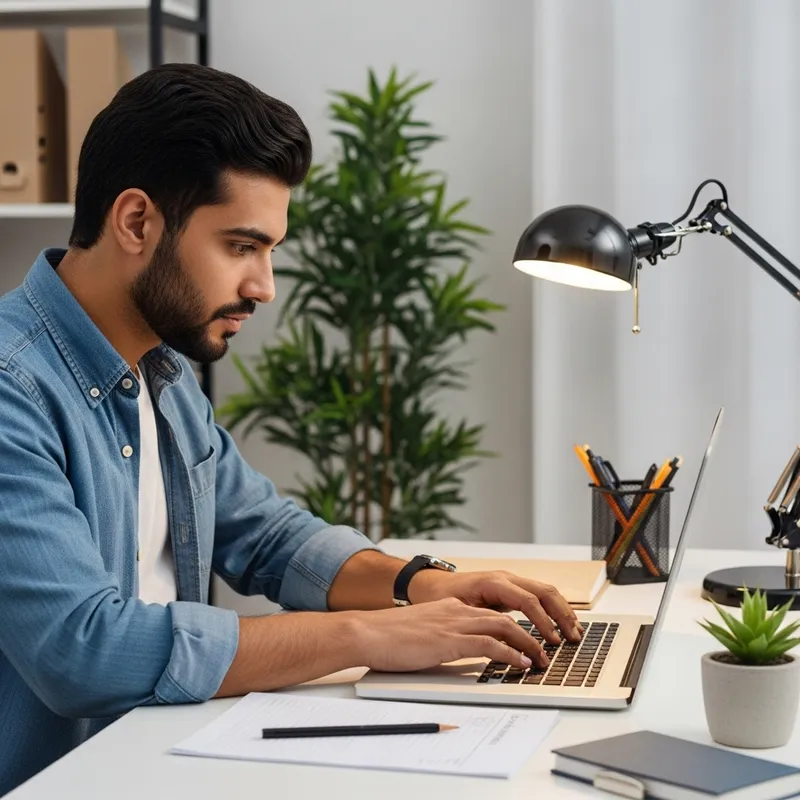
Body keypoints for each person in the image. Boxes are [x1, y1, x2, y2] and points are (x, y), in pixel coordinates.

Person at [0, 62, 582, 796]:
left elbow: (266, 535)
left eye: (268, 250)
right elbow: (83, 651)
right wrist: (369, 635)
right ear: (137, 222)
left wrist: (424, 584)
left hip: (158, 756)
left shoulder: (160, 370)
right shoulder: (11, 389)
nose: (264, 286)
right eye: (241, 246)